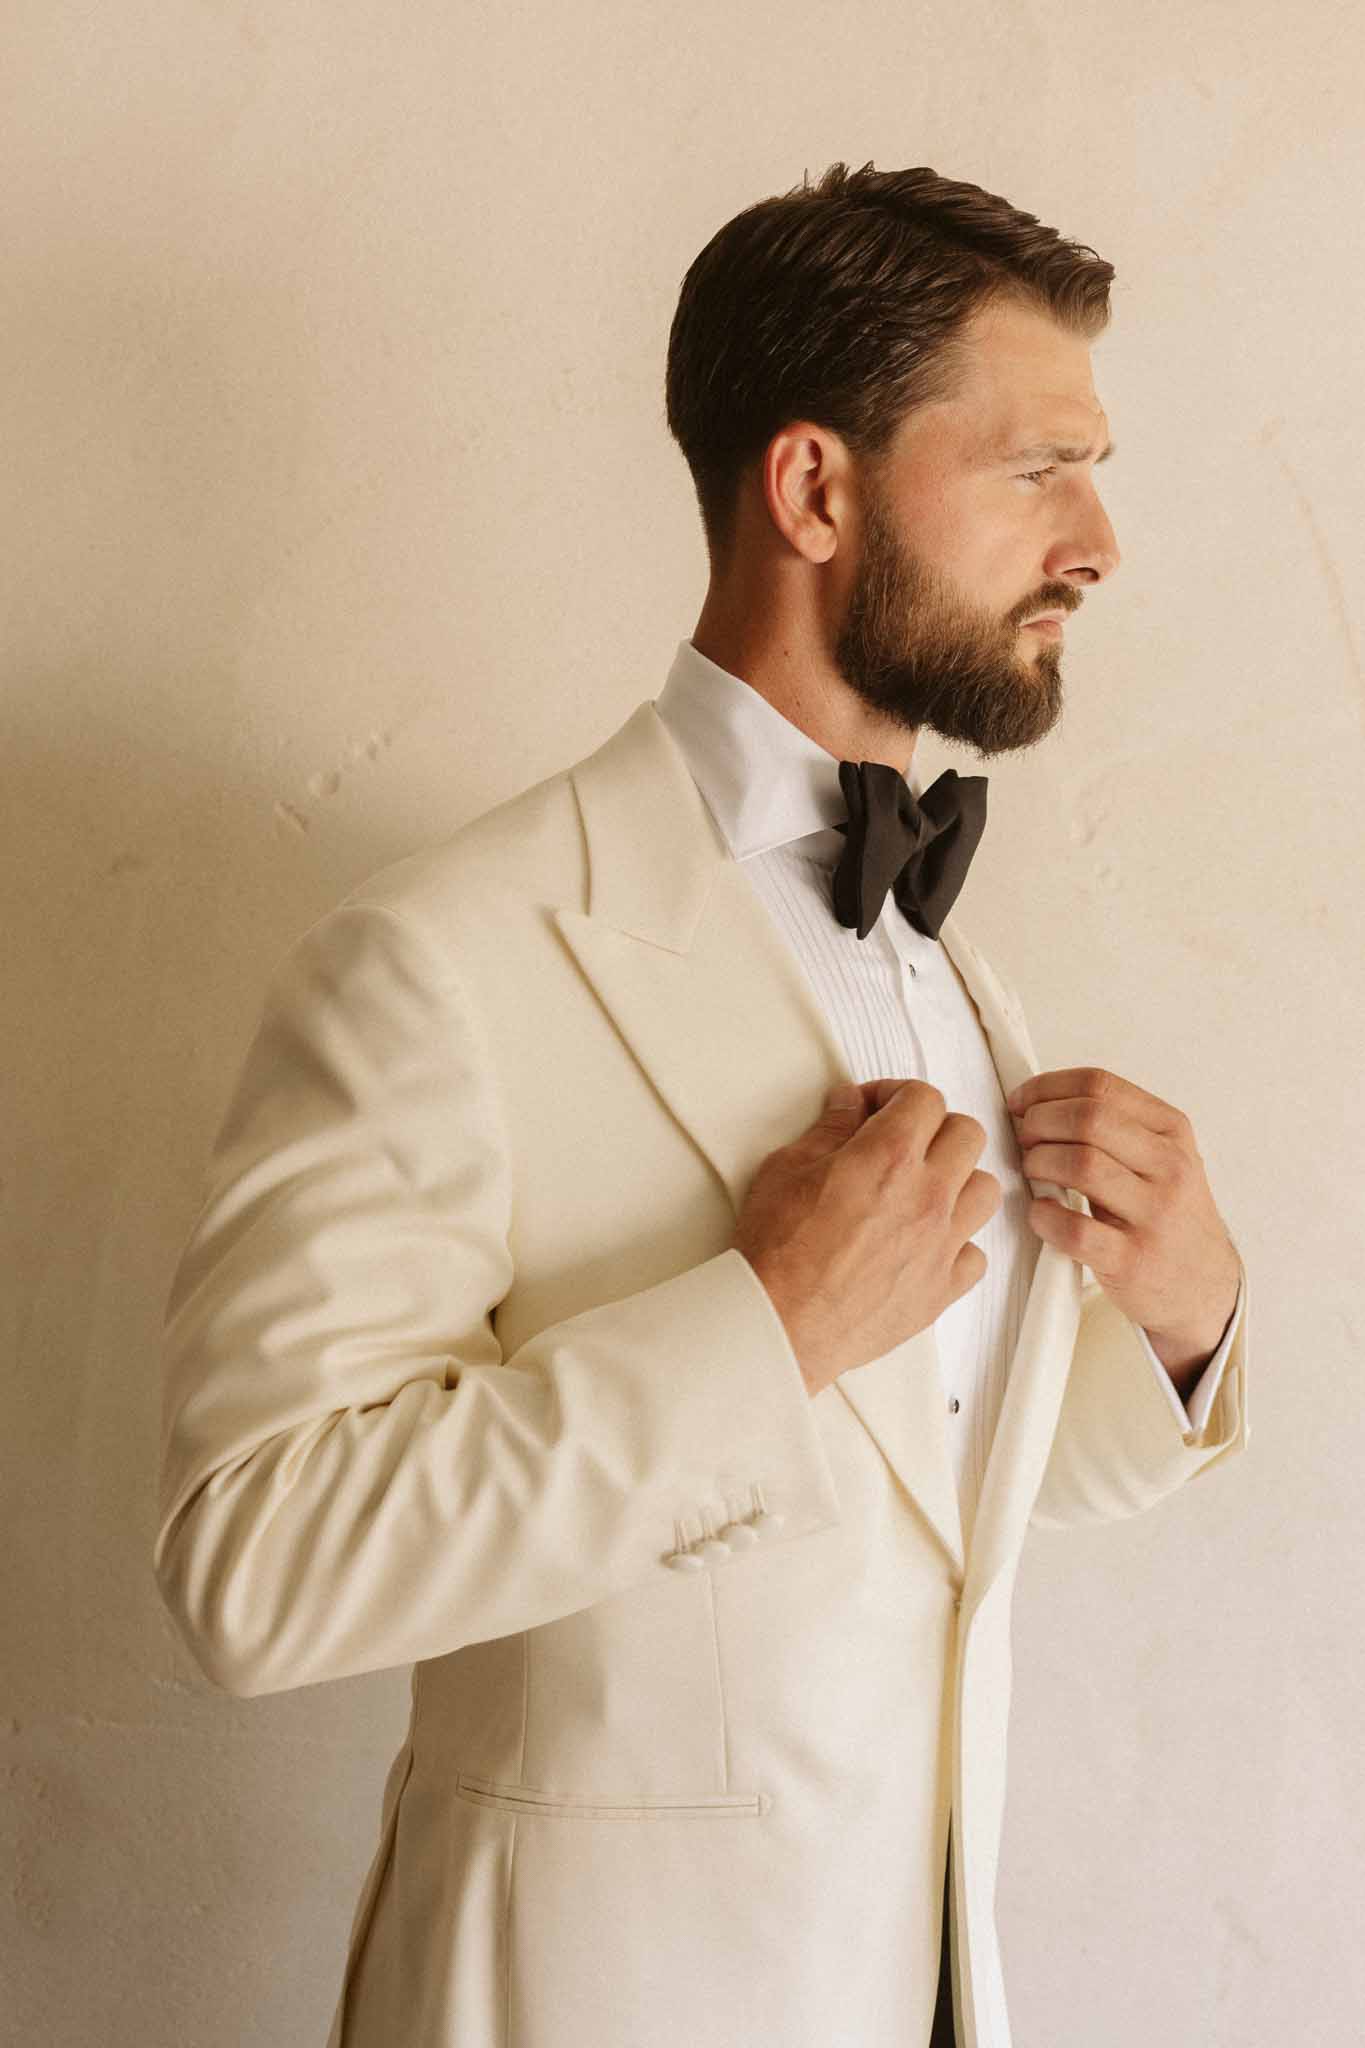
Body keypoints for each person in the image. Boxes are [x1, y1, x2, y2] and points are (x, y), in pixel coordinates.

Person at [153, 160, 1250, 2048]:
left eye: (1095, 471)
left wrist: (1177, 1331)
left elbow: (916, 1504)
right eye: (1034, 469)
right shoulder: (442, 956)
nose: (1094, 542)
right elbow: (253, 1568)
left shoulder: (952, 973)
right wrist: (760, 1326)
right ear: (814, 487)